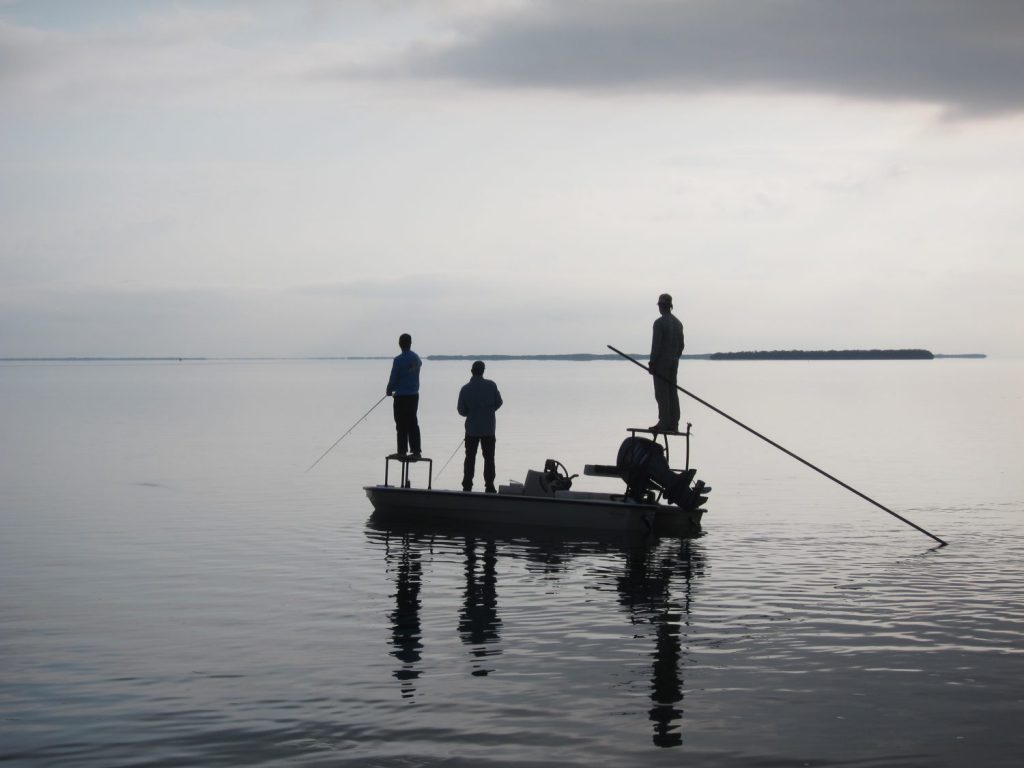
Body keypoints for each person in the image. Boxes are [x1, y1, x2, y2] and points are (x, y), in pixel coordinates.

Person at [457, 360, 503, 493]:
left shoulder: (465, 389)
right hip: (489, 429)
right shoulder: (491, 385)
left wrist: (471, 413)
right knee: (489, 458)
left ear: (472, 371)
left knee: (470, 458)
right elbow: (499, 402)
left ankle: (467, 484)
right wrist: (489, 411)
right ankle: (489, 485)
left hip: (471, 430)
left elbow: (461, 410)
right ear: (483, 371)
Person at [650, 293, 685, 432]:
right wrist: (675, 358)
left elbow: (656, 345)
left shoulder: (659, 323)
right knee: (672, 392)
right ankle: (674, 424)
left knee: (662, 393)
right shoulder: (678, 323)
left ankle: (664, 423)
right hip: (674, 363)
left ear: (661, 306)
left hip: (661, 364)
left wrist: (652, 363)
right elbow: (681, 345)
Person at [386, 333, 422, 458]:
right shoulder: (417, 358)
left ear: (400, 344)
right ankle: (416, 451)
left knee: (401, 424)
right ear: (410, 343)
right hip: (413, 396)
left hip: (401, 397)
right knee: (412, 422)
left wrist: (389, 389)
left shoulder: (398, 360)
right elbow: (417, 367)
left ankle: (402, 451)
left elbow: (394, 377)